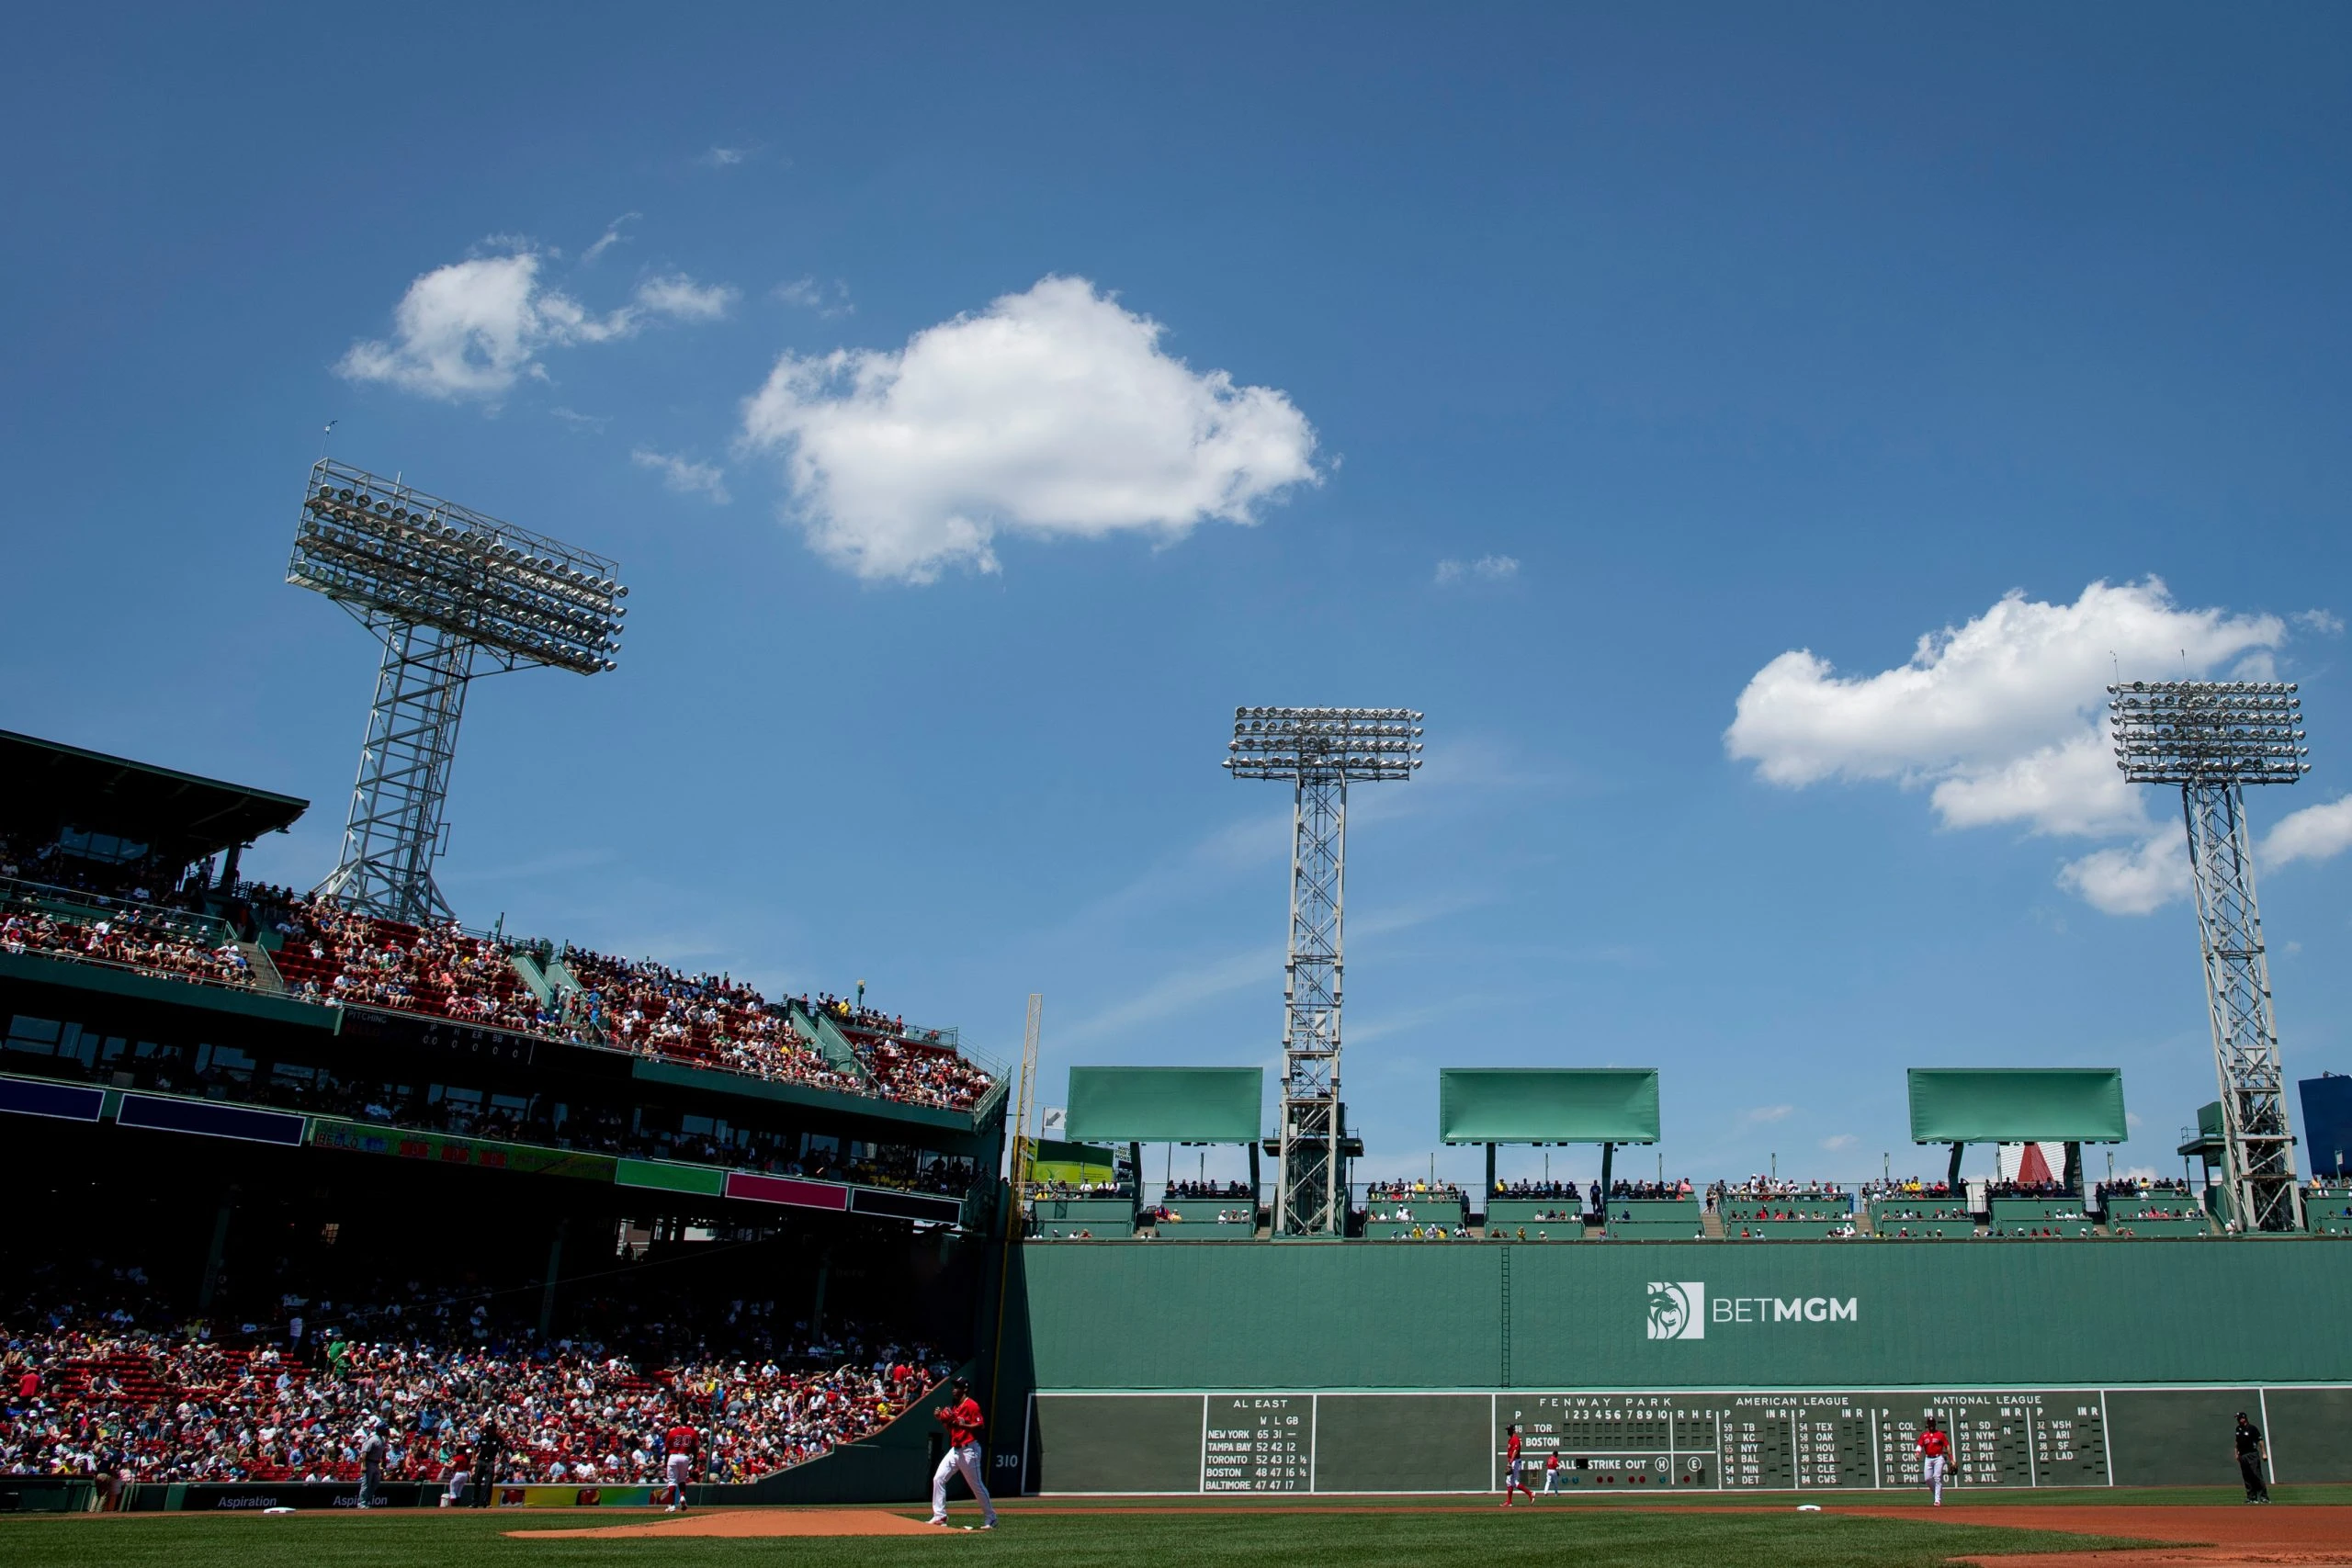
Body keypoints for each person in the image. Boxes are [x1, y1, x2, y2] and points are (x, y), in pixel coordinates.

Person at [929, 1376, 998, 1529]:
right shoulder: (955, 1407)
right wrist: (942, 1419)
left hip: (969, 1450)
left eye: (957, 1386)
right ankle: (940, 1516)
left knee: (976, 1486)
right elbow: (953, 1430)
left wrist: (964, 1424)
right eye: (953, 1386)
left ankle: (991, 1517)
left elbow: (980, 1425)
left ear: (965, 1389)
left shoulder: (972, 1405)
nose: (954, 1389)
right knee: (938, 1478)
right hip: (955, 1449)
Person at [662, 1418, 698, 1512]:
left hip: (673, 1456)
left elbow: (667, 1448)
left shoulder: (673, 1432)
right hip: (685, 1457)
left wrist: (666, 1461)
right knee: (682, 1480)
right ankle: (682, 1497)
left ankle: (671, 1505)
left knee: (672, 1481)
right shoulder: (692, 1432)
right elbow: (695, 1448)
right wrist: (695, 1460)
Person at [2234, 1413, 2269, 1503]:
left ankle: (2263, 1497)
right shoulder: (2238, 1429)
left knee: (2256, 1475)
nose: (2238, 1420)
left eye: (2239, 1418)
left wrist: (2264, 1453)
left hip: (2252, 1454)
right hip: (2243, 1455)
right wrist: (2236, 1453)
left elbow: (2260, 1441)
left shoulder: (2252, 1428)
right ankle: (2251, 1497)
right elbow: (2237, 1442)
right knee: (2247, 1476)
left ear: (2244, 1418)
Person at [1915, 1417, 1950, 1506]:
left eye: (1932, 1423)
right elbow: (1919, 1445)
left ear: (1935, 1424)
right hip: (1928, 1458)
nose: (1931, 1425)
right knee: (1927, 1479)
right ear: (1928, 1425)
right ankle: (1937, 1493)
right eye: (1929, 1424)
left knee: (1937, 1477)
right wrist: (1917, 1453)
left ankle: (1937, 1500)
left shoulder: (1940, 1435)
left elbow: (1947, 1446)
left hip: (1938, 1458)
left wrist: (1952, 1459)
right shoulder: (1924, 1435)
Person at [1500, 1424, 1534, 1506]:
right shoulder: (1510, 1439)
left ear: (1512, 1430)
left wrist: (1510, 1462)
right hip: (1513, 1461)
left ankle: (1530, 1493)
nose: (1507, 1431)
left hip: (1515, 1461)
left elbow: (1515, 1451)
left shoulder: (1515, 1439)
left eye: (1508, 1430)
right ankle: (1510, 1501)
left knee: (1512, 1481)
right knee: (1510, 1482)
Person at [357, 1421, 385, 1509]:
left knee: (376, 1483)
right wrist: (364, 1465)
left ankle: (367, 1501)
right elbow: (364, 1453)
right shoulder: (373, 1439)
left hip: (376, 1463)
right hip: (369, 1462)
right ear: (381, 1430)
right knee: (366, 1484)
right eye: (385, 1429)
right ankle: (361, 1503)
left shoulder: (381, 1439)